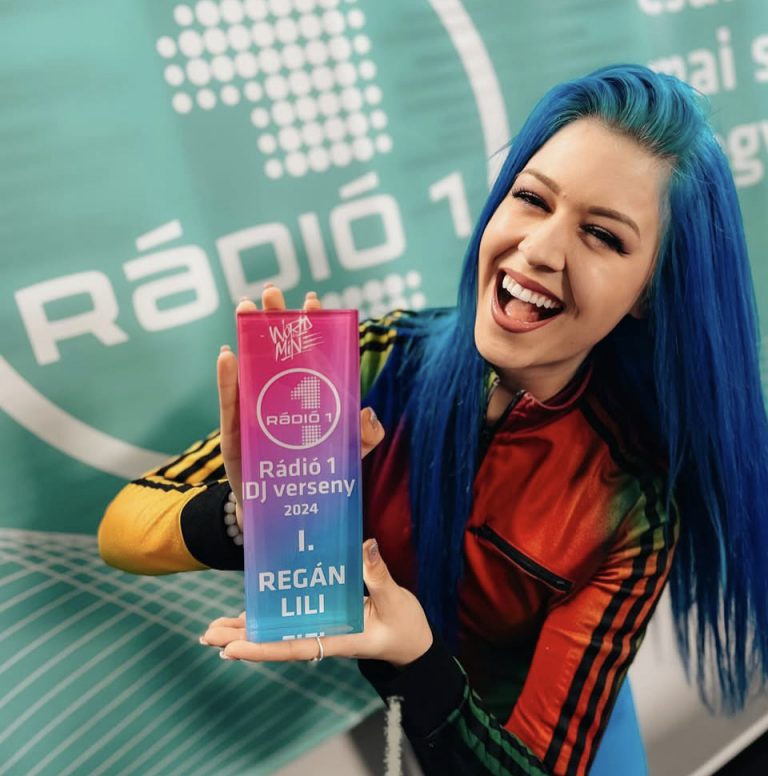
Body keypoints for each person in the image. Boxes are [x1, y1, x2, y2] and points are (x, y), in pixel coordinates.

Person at [99, 64, 768, 776]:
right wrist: (255, 514)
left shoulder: (630, 504)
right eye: (531, 198)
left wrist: (418, 664)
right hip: (423, 727)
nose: (540, 250)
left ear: (649, 292)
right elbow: (122, 531)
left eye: (602, 235)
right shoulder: (377, 362)